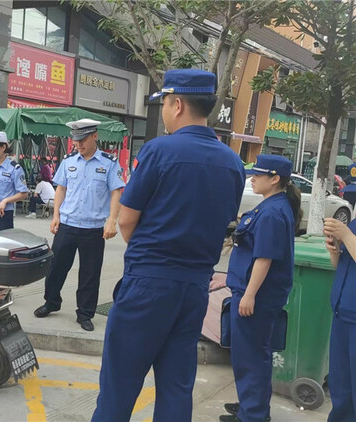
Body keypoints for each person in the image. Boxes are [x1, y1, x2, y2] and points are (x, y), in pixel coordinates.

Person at [92, 70, 246, 421]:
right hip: (195, 287)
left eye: (163, 103)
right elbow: (223, 223)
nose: (163, 111)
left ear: (177, 104)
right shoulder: (233, 163)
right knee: (177, 387)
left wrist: (151, 255)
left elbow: (127, 219)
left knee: (120, 383)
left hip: (149, 284)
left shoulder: (159, 150)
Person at [222, 155, 300, 422]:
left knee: (251, 357)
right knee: (251, 354)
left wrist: (249, 294)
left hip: (258, 296)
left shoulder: (272, 212)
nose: (252, 178)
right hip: (252, 291)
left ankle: (253, 414)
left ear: (275, 179)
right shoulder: (271, 206)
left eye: (258, 174)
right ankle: (250, 405)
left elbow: (264, 258)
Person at [33, 119, 125, 332]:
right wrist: (55, 215)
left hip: (93, 228)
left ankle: (84, 313)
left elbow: (116, 192)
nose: (78, 145)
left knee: (90, 273)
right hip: (67, 224)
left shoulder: (109, 163)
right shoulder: (69, 161)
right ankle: (51, 302)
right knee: (56, 268)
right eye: (75, 141)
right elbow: (61, 189)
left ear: (95, 136)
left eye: (82, 140)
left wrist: (112, 220)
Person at [323, 216, 356, 422]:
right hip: (342, 313)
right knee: (341, 389)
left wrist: (346, 235)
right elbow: (342, 265)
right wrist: (334, 250)